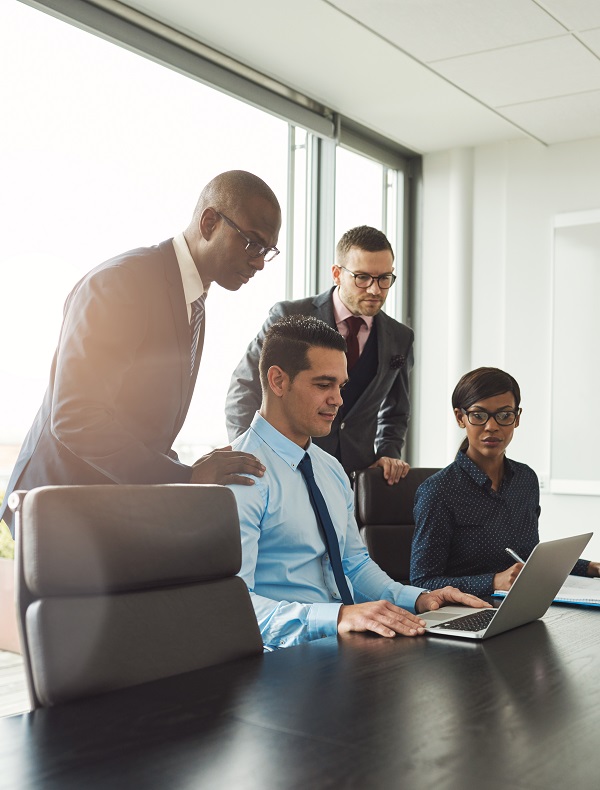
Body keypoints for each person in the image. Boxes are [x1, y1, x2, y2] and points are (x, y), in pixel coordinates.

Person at [0, 170, 281, 535]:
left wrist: (191, 470)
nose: (259, 262)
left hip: (110, 501)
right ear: (209, 221)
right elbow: (76, 416)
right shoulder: (121, 283)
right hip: (60, 504)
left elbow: (140, 421)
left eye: (267, 252)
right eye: (251, 244)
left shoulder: (192, 297)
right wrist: (186, 476)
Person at [228, 315, 489, 650]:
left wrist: (421, 599)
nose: (338, 400)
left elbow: (355, 565)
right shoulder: (241, 475)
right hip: (284, 659)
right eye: (323, 385)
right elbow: (235, 605)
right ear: (278, 381)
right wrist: (336, 617)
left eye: (341, 386)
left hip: (348, 647)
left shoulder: (331, 470)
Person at [226, 225, 413, 485]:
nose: (374, 290)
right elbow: (244, 386)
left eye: (384, 278)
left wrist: (387, 455)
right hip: (286, 469)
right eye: (362, 277)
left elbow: (395, 413)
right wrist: (249, 455)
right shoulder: (288, 316)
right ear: (337, 274)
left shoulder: (400, 337)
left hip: (358, 479)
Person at [410, 367, 600, 596]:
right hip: (462, 612)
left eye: (504, 415)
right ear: (461, 418)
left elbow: (527, 555)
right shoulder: (438, 491)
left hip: (521, 604)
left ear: (517, 418)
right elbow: (422, 581)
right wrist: (493, 582)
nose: (492, 426)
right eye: (478, 415)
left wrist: (589, 567)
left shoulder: (526, 479)